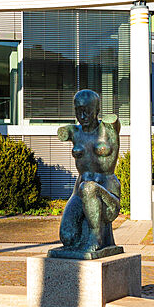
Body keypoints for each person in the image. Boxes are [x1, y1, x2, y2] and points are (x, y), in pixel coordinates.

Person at [55, 89, 121, 257]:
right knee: (68, 237)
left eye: (87, 110)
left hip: (107, 195)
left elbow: (115, 123)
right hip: (80, 192)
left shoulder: (108, 129)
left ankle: (95, 238)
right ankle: (86, 239)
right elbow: (65, 131)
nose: (82, 115)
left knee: (89, 188)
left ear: (97, 110)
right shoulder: (76, 133)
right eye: (78, 110)